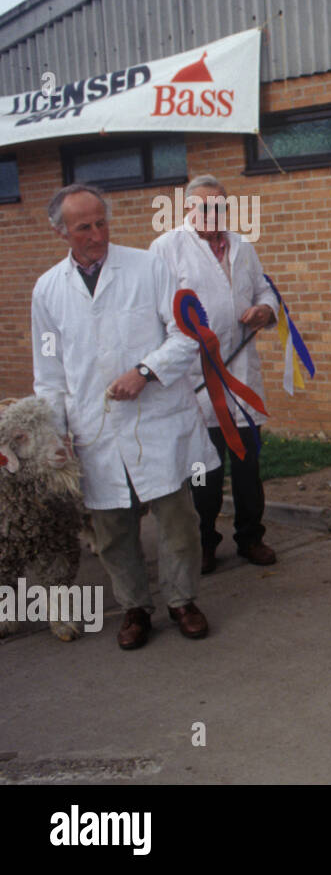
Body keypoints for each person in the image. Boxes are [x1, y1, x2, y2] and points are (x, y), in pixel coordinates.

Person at [31, 184, 218, 649]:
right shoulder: (48, 290)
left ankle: (182, 601)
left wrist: (144, 371)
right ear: (60, 232)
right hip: (94, 428)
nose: (97, 234)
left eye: (101, 222)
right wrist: (56, 433)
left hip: (158, 418)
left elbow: (186, 334)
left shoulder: (148, 266)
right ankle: (135, 607)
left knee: (177, 521)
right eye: (83, 228)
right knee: (112, 530)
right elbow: (49, 373)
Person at [150, 175, 277, 574]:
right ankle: (204, 542)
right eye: (204, 206)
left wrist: (265, 311)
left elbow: (264, 291)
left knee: (247, 467)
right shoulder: (166, 248)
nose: (213, 214)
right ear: (188, 208)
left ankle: (250, 537)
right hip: (196, 379)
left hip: (241, 373)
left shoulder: (242, 246)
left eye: (220, 206)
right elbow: (153, 311)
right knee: (204, 470)